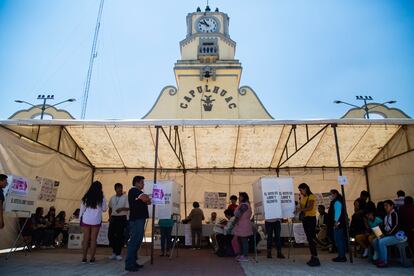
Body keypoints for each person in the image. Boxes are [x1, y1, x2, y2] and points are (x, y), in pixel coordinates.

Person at [125, 176, 151, 272]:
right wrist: (146, 198)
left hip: (139, 219)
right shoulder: (134, 190)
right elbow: (146, 199)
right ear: (136, 183)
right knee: (134, 240)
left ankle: (133, 261)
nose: (143, 184)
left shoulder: (137, 192)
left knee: (138, 241)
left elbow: (148, 202)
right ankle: (129, 264)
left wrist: (147, 198)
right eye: (142, 182)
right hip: (136, 219)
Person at [80, 181, 107, 263]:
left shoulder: (86, 196)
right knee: (93, 239)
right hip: (96, 220)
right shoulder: (102, 197)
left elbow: (82, 209)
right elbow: (104, 209)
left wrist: (80, 218)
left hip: (86, 219)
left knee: (85, 239)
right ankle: (92, 258)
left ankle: (84, 258)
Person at [373, 200, 406, 268]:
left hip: (397, 236)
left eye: (387, 205)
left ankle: (384, 261)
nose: (385, 207)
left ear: (392, 206)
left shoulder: (395, 214)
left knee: (382, 241)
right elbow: (385, 228)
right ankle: (380, 258)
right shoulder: (386, 216)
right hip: (390, 235)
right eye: (384, 206)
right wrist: (380, 232)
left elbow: (396, 226)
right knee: (375, 241)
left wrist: (386, 235)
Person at [296, 183, 320, 266]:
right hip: (305, 220)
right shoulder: (304, 197)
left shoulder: (311, 196)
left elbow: (310, 207)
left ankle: (315, 257)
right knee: (309, 239)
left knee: (311, 238)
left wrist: (300, 209)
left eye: (300, 190)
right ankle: (313, 256)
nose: (300, 191)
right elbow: (302, 207)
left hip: (311, 219)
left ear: (305, 188)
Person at [108, 183, 129, 261]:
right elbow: (110, 208)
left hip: (122, 218)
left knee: (120, 236)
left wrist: (121, 209)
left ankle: (118, 253)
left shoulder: (125, 197)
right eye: (118, 188)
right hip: (113, 218)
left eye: (121, 188)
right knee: (110, 235)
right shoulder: (112, 198)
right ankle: (114, 251)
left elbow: (128, 208)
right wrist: (110, 217)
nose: (120, 189)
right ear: (115, 189)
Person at [233, 192, 253, 262]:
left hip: (243, 224)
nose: (239, 198)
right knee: (240, 240)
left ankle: (245, 255)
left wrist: (234, 221)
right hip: (242, 224)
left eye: (240, 197)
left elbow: (238, 214)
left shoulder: (244, 205)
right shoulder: (245, 204)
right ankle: (242, 254)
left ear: (244, 197)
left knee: (244, 240)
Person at [329, 189, 347, 262]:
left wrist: (336, 223)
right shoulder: (338, 200)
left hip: (338, 223)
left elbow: (337, 213)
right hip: (339, 223)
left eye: (331, 194)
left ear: (335, 194)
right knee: (339, 240)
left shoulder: (337, 202)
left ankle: (342, 256)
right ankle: (341, 255)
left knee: (339, 240)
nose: (330, 196)